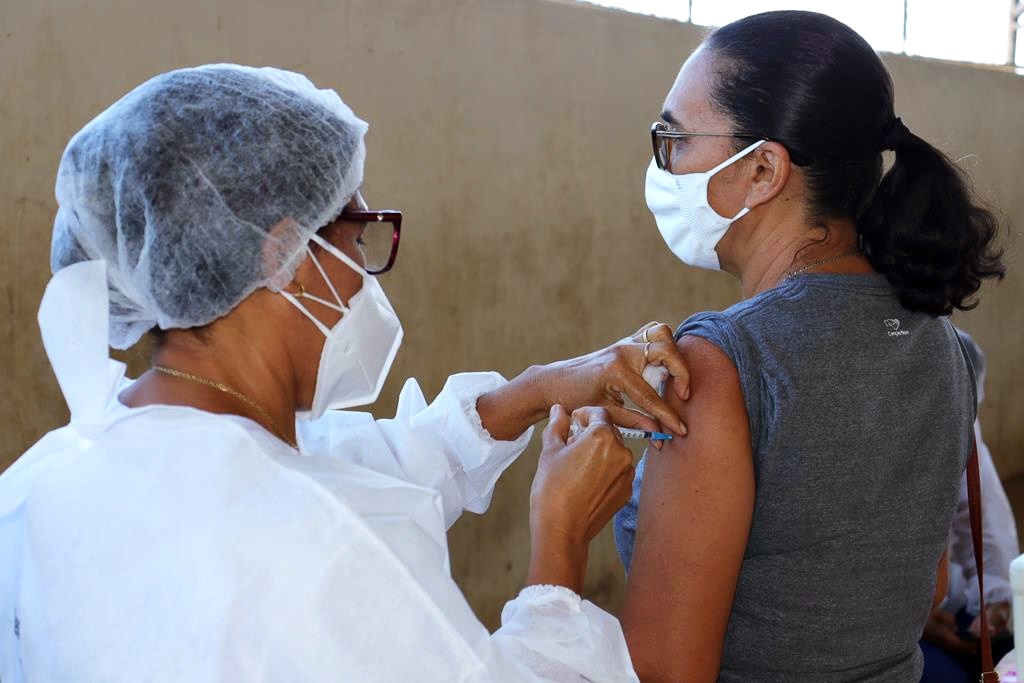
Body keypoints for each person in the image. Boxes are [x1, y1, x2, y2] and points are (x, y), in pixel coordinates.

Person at [0, 64, 692, 682]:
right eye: (357, 236)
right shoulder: (323, 557)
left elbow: (351, 470)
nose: (365, 274)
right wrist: (560, 547)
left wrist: (537, 390)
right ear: (286, 256)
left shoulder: (51, 481)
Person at [612, 10, 1004, 682]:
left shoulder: (718, 365)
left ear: (763, 169)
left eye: (672, 138)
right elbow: (927, 586)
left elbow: (667, 669)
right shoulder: (949, 349)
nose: (662, 162)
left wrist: (556, 538)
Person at [920, 329, 1018, 682]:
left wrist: (997, 602)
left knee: (1010, 652)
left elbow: (982, 513)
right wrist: (912, 618)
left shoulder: (953, 366)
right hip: (882, 626)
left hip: (949, 605)